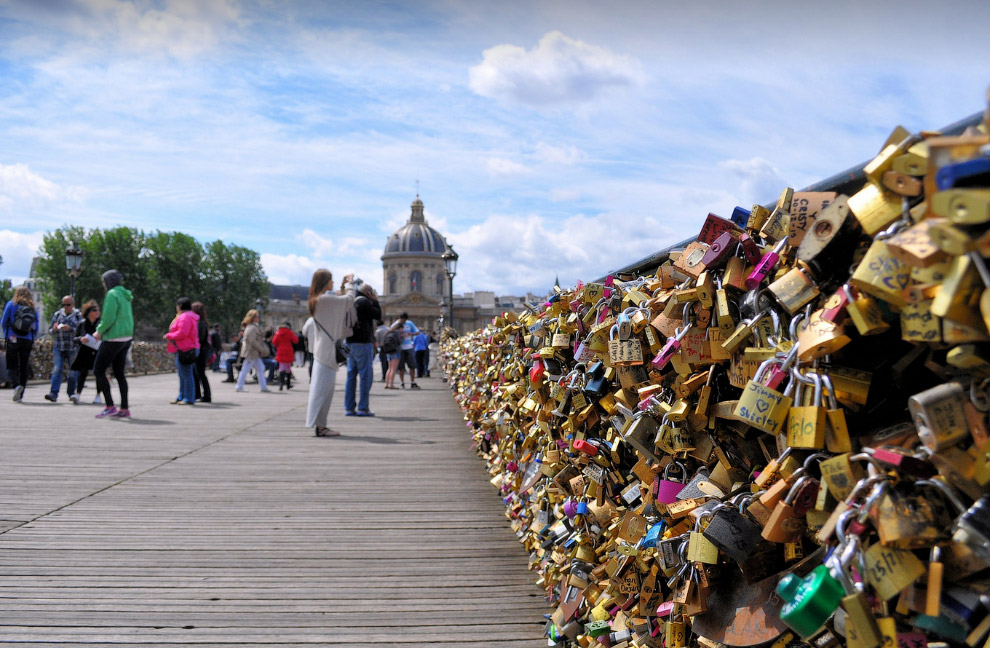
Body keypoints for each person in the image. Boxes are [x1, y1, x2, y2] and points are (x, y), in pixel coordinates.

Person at [305, 269, 356, 437]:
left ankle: (320, 425)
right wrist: (350, 283)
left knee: (322, 389)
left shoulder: (318, 300)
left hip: (323, 349)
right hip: (327, 351)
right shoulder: (324, 299)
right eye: (331, 281)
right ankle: (320, 426)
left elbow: (338, 299)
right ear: (325, 282)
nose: (333, 283)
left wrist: (342, 286)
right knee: (323, 391)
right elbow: (348, 300)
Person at [93, 269, 134, 419]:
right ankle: (124, 408)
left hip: (113, 338)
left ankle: (109, 406)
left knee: (98, 370)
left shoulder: (112, 294)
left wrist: (99, 332)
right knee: (119, 374)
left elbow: (109, 317)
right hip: (126, 337)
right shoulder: (125, 294)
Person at [344, 282, 381, 417]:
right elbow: (377, 315)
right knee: (365, 376)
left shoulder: (351, 300)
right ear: (368, 292)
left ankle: (349, 408)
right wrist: (375, 301)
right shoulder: (365, 302)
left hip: (349, 342)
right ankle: (363, 408)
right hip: (363, 342)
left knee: (351, 376)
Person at [1, 286, 40, 403]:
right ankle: (21, 395)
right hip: (27, 340)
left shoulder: (11, 304)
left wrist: (7, 334)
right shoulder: (32, 308)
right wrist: (31, 338)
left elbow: (3, 322)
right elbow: (36, 326)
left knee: (11, 365)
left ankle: (16, 386)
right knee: (23, 366)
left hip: (13, 338)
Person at [46, 295, 82, 403]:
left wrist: (71, 329)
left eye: (68, 304)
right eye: (64, 305)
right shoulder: (57, 315)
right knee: (57, 370)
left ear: (73, 304)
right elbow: (50, 330)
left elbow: (82, 331)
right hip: (59, 346)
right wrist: (54, 329)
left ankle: (71, 393)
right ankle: (53, 394)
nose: (66, 307)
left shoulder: (78, 315)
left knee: (72, 372)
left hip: (72, 347)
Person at [164, 297, 200, 406]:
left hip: (185, 349)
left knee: (186, 375)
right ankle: (182, 396)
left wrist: (168, 335)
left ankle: (188, 398)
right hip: (186, 348)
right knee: (183, 374)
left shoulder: (184, 317)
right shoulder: (189, 317)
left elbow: (182, 333)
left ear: (180, 306)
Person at [70, 300, 101, 404]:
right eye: (94, 310)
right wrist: (81, 339)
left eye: (98, 310)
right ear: (88, 312)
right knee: (82, 373)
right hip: (85, 351)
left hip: (97, 351)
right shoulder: (82, 324)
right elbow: (74, 338)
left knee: (98, 373)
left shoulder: (101, 323)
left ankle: (98, 395)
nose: (97, 312)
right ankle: (78, 394)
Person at [234, 309, 270, 393]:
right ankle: (239, 386)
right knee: (246, 369)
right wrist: (261, 349)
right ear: (253, 318)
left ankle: (263, 386)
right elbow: (252, 341)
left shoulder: (252, 326)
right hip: (251, 352)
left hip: (253, 352)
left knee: (260, 368)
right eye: (257, 316)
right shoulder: (252, 328)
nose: (258, 318)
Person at [392, 312, 421, 390]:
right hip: (400, 348)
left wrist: (411, 334)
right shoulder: (396, 324)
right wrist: (399, 334)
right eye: (402, 320)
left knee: (412, 366)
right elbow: (390, 332)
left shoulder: (409, 323)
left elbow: (417, 332)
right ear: (400, 318)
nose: (403, 322)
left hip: (408, 347)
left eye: (404, 320)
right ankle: (402, 383)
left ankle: (413, 382)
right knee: (401, 367)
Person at [192, 302, 212, 403]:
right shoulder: (202, 322)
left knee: (200, 373)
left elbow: (199, 338)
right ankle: (198, 394)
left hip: (201, 351)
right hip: (202, 350)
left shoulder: (200, 323)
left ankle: (206, 395)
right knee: (197, 373)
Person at [271, 321, 299, 390]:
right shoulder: (290, 332)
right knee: (288, 368)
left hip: (280, 351)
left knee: (281, 367)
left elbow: (274, 342)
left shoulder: (278, 332)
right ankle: (288, 384)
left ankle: (281, 384)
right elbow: (296, 340)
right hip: (288, 351)